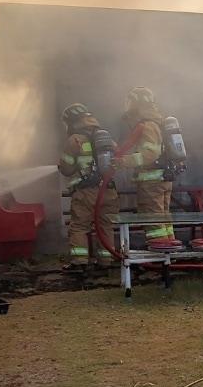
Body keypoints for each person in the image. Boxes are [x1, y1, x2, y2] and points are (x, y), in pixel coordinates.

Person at [115, 87, 174, 250]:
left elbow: (149, 154)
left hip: (151, 181)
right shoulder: (157, 122)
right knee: (163, 219)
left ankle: (160, 255)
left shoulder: (147, 125)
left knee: (153, 220)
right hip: (161, 178)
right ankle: (169, 250)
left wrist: (123, 161)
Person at [57, 103, 114, 269]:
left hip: (86, 192)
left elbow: (66, 169)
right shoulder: (105, 137)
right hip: (108, 190)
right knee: (105, 226)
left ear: (72, 121)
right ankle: (106, 261)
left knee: (80, 226)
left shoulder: (75, 140)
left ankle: (80, 263)